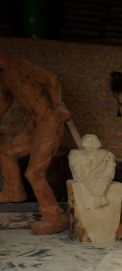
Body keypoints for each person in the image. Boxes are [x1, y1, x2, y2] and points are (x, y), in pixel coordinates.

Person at [0, 53, 71, 235]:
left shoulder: (20, 65)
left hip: (50, 122)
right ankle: (13, 191)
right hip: (35, 124)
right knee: (6, 152)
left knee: (34, 174)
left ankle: (55, 217)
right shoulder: (4, 76)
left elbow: (51, 79)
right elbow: (6, 99)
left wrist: (58, 106)